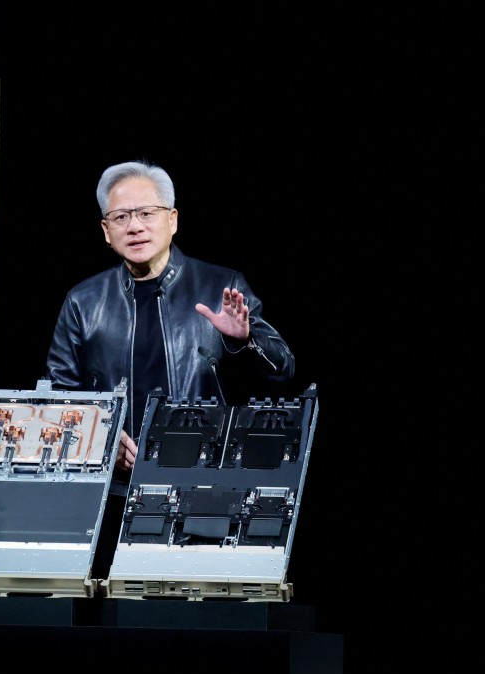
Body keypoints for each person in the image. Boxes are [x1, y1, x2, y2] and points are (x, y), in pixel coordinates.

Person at [44, 160, 296, 575]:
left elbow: (283, 371)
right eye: (121, 216)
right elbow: (60, 400)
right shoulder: (83, 302)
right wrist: (105, 444)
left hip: (209, 487)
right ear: (106, 231)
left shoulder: (220, 285)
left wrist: (242, 340)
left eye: (147, 213)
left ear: (172, 220)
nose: (135, 226)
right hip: (115, 495)